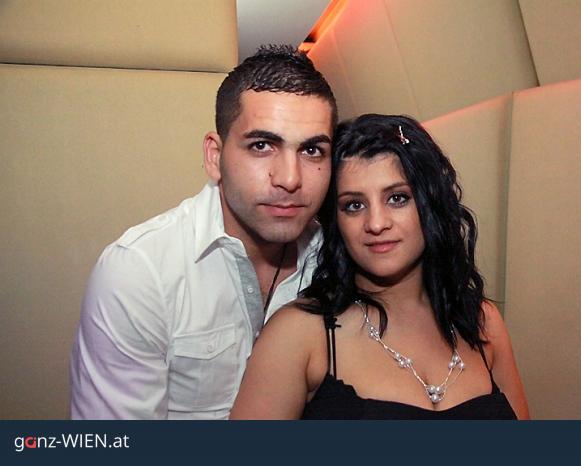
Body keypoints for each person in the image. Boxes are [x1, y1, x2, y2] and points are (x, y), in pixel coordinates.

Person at [70, 45, 337, 419]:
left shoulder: (336, 260)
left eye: (312, 151)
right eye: (262, 145)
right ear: (215, 156)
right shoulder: (140, 272)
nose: (290, 178)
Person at [230, 114, 529, 419]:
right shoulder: (297, 335)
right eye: (354, 205)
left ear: (429, 204)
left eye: (397, 198)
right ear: (336, 221)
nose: (375, 223)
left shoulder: (482, 321)